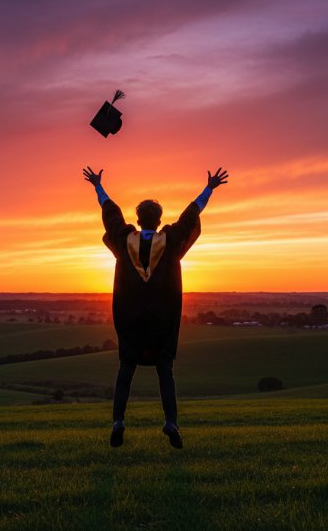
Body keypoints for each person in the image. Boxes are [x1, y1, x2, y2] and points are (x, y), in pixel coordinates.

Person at [82, 165, 229, 449]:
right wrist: (209, 188)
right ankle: (171, 422)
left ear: (138, 219)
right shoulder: (171, 239)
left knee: (125, 370)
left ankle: (118, 421)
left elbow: (110, 214)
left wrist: (97, 186)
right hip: (162, 320)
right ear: (159, 219)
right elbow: (191, 215)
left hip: (131, 319)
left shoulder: (126, 238)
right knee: (166, 373)